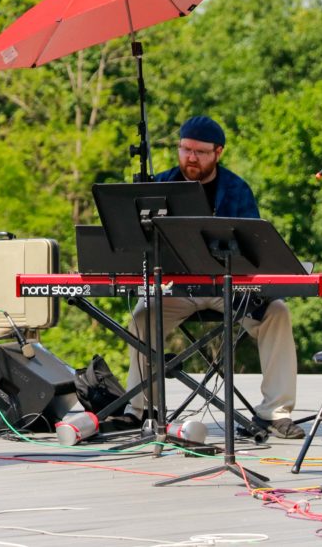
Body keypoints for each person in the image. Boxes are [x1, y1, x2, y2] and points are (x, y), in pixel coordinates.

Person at [121, 115, 304, 439]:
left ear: (218, 152)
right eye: (185, 149)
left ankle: (275, 412)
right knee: (142, 316)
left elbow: (254, 251)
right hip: (176, 288)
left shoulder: (237, 190)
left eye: (200, 152)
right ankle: (141, 410)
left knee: (278, 312)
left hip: (227, 289)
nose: (191, 157)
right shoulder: (159, 185)